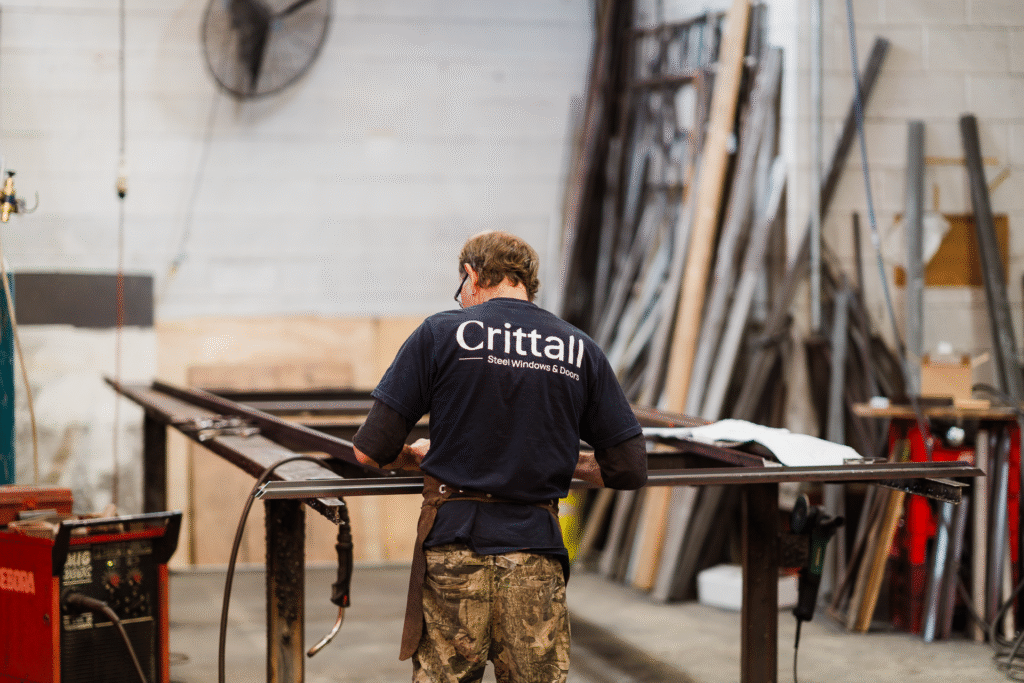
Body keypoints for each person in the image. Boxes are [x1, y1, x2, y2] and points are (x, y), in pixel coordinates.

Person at [352, 231, 647, 683]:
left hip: (455, 549)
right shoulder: (576, 347)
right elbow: (628, 467)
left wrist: (419, 457)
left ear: (472, 275)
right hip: (535, 555)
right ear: (527, 282)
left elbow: (369, 449)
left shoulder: (440, 332)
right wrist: (552, 459)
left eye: (461, 288)